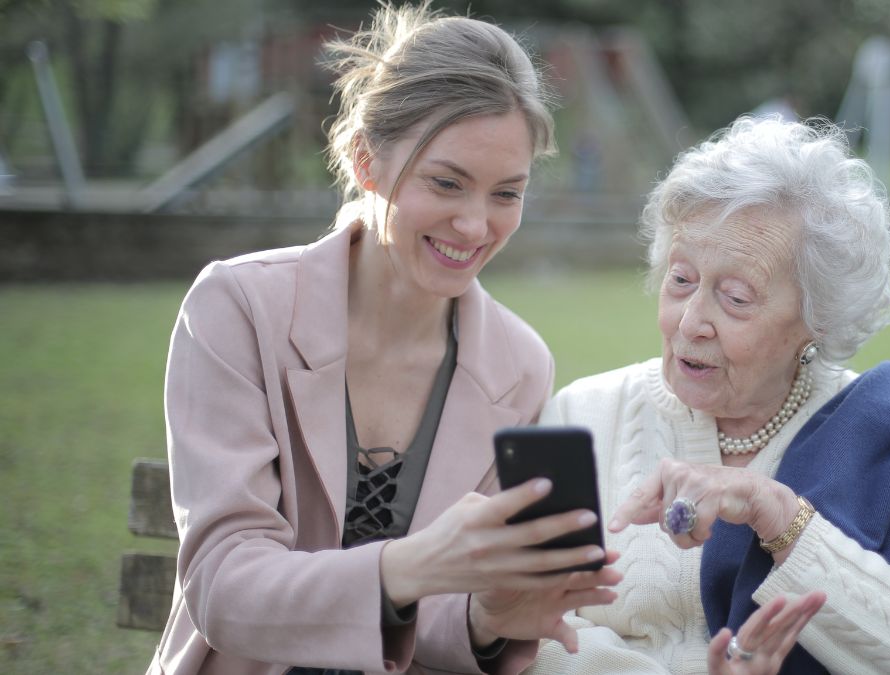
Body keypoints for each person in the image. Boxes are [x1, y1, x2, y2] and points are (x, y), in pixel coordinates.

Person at [149, 6, 622, 673]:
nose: (474, 223)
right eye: (447, 182)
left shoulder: (518, 366)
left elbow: (438, 619)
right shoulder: (237, 307)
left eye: (506, 193)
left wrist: (486, 617)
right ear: (365, 158)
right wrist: (411, 564)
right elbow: (224, 586)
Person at [529, 117, 890, 674]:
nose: (690, 322)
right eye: (680, 279)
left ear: (818, 319)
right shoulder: (581, 415)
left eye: (735, 297)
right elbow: (525, 625)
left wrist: (777, 513)